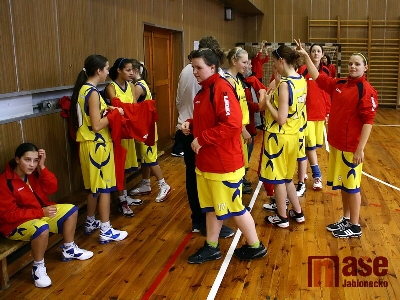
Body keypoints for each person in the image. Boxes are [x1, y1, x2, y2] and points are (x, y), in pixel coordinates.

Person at [182, 47, 267, 263]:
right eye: (193, 67)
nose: (195, 72)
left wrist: (201, 139)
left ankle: (255, 246)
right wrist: (192, 125)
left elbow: (231, 125)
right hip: (207, 163)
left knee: (235, 208)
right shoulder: (204, 90)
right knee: (211, 208)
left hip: (223, 164)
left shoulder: (220, 88)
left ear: (212, 67)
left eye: (199, 67)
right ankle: (211, 246)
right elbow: (210, 121)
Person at [296, 39, 378, 238]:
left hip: (351, 149)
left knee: (352, 187)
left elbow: (368, 122)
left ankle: (355, 225)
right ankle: (347, 218)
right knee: (342, 185)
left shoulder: (366, 91)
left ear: (365, 67)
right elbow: (319, 79)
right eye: (350, 63)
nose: (352, 66)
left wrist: (360, 149)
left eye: (357, 64)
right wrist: (306, 56)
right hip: (337, 146)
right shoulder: (340, 83)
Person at [0, 143, 93, 288]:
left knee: (71, 210)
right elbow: (9, 215)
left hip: (37, 213)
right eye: (27, 160)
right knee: (42, 228)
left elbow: (52, 187)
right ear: (17, 159)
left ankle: (69, 249)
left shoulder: (33, 174)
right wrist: (40, 213)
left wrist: (42, 166)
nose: (31, 164)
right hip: (13, 225)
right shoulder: (4, 182)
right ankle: (38, 267)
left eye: (35, 160)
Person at [174, 36, 234, 237]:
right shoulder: (212, 78)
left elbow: (178, 100)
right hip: (199, 134)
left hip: (188, 127)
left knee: (194, 177)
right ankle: (209, 221)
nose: (196, 71)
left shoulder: (186, 70)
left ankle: (200, 221)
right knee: (207, 181)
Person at [70, 54, 128, 243]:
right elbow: (96, 125)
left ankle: (90, 221)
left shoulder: (83, 89)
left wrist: (108, 110)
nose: (107, 72)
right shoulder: (93, 92)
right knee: (104, 188)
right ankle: (105, 229)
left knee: (92, 187)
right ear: (98, 70)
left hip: (87, 145)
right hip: (98, 145)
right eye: (106, 68)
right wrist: (114, 114)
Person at [259, 45, 306, 228]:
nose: (273, 66)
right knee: (287, 179)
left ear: (281, 60)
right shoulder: (301, 80)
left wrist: (269, 102)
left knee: (278, 180)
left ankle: (282, 216)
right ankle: (298, 212)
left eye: (274, 61)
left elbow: (280, 118)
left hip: (278, 137)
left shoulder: (285, 85)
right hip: (293, 136)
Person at [105, 58, 144, 218]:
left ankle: (124, 194)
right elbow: (118, 108)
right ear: (119, 70)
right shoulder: (111, 87)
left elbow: (133, 109)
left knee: (126, 168)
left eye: (133, 70)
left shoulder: (132, 86)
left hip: (128, 132)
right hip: (117, 134)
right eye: (128, 70)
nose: (131, 73)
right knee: (119, 168)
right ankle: (121, 200)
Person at [129, 59, 171, 202]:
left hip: (145, 128)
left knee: (151, 158)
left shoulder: (138, 87)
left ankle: (163, 184)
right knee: (145, 157)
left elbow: (131, 106)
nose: (128, 73)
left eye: (130, 70)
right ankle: (146, 183)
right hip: (148, 126)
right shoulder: (142, 84)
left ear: (135, 71)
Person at [297, 44, 331, 193]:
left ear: (322, 54)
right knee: (309, 147)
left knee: (310, 147)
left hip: (320, 114)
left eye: (318, 51)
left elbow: (327, 93)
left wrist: (328, 112)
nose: (316, 53)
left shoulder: (326, 71)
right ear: (309, 54)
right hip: (307, 114)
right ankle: (317, 176)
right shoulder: (303, 70)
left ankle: (303, 171)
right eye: (313, 51)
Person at [224, 47, 253, 194]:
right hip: (237, 131)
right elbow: (231, 113)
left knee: (241, 166)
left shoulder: (237, 79)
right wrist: (243, 129)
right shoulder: (228, 81)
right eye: (244, 62)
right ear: (234, 61)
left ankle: (238, 201)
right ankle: (236, 204)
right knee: (236, 168)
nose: (247, 65)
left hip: (240, 130)